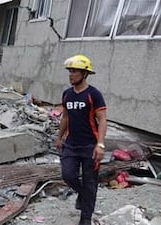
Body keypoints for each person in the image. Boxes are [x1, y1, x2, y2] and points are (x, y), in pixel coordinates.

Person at [56, 54, 107, 225]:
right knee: (68, 175)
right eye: (70, 71)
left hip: (89, 146)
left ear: (84, 74)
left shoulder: (94, 94)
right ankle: (82, 194)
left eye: (75, 71)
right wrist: (59, 137)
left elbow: (103, 120)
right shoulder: (67, 94)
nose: (71, 74)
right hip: (71, 144)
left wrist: (100, 144)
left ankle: (85, 217)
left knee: (90, 181)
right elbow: (65, 118)